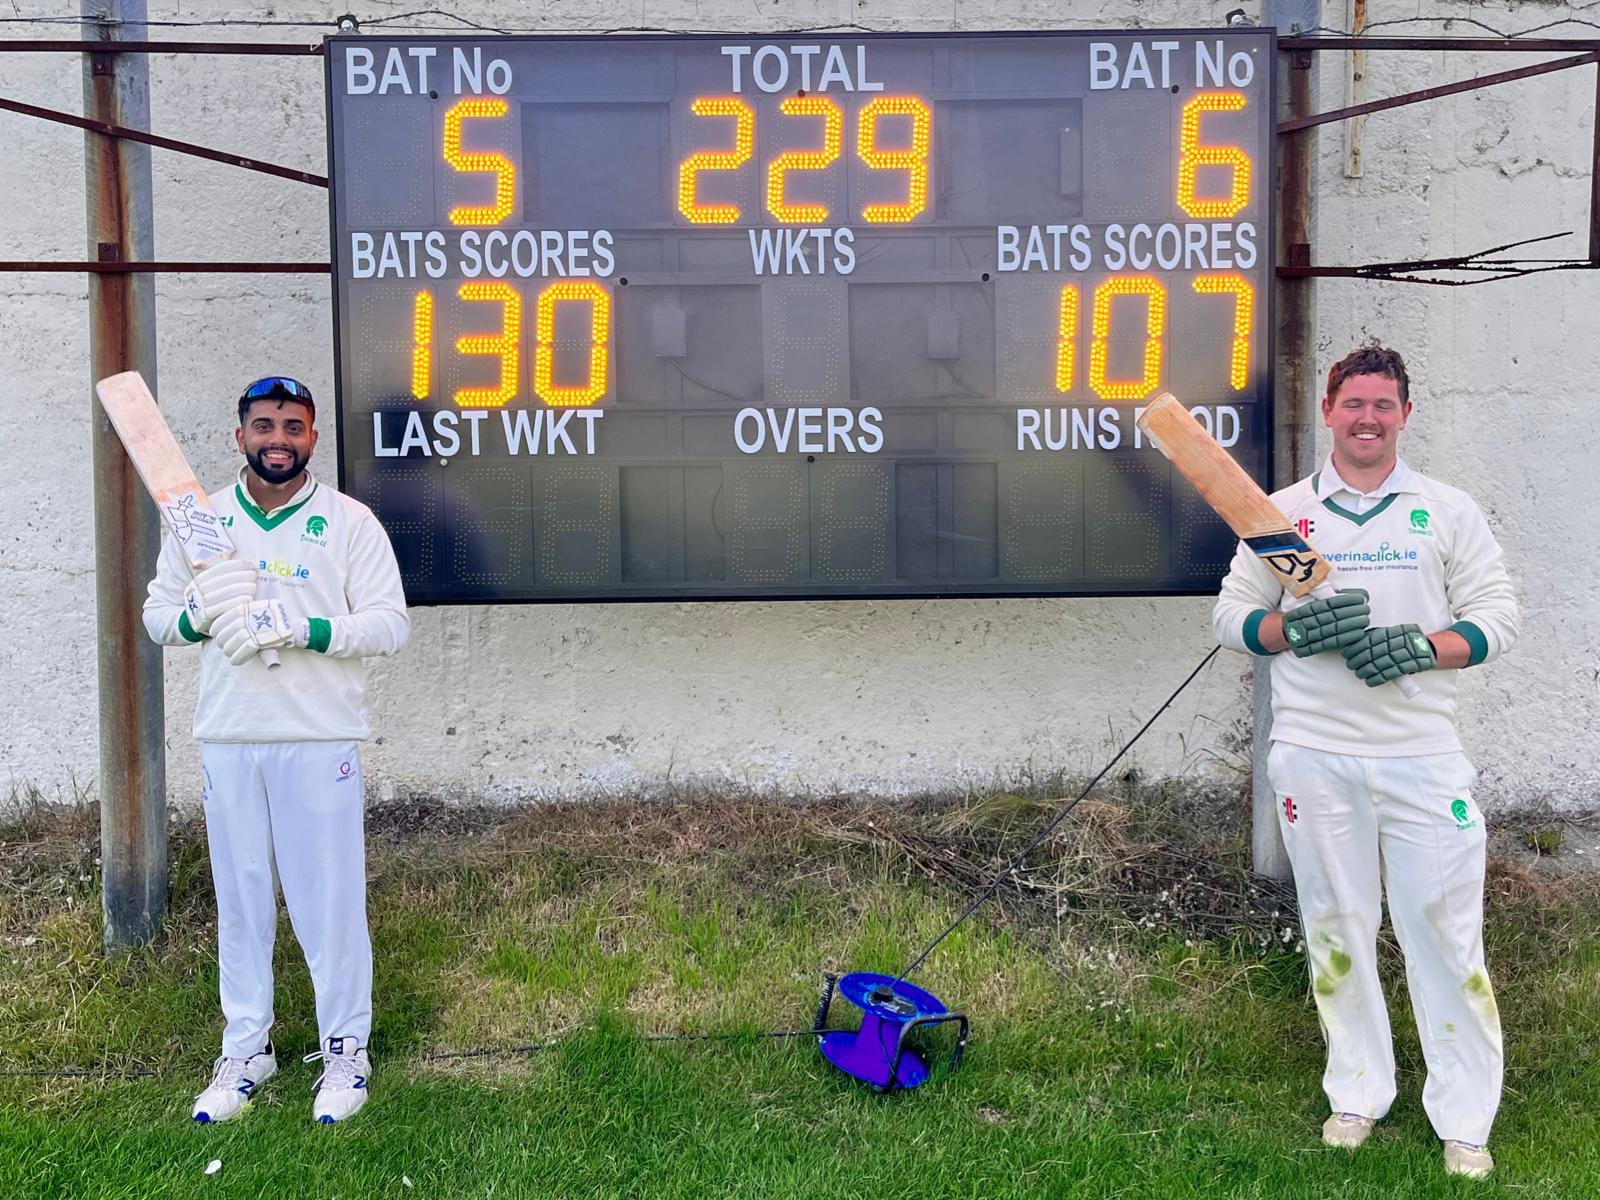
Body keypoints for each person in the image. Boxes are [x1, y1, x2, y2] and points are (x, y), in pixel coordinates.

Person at [1212, 344, 1519, 1179]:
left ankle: (1464, 1118)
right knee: (1336, 925)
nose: (1369, 419)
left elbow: (1497, 616)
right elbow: (1233, 615)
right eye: (1355, 404)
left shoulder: (1446, 510)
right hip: (1313, 755)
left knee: (1444, 934)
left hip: (1421, 756)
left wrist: (1425, 647)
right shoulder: (1282, 516)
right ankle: (1358, 1091)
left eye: (1385, 405)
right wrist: (1288, 631)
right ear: (1330, 411)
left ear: (1406, 415)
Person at [143, 376, 409, 1124]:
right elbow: (157, 617)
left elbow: (390, 625)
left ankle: (345, 1049)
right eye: (264, 426)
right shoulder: (202, 524)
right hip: (230, 736)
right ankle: (246, 1048)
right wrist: (201, 612)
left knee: (329, 903)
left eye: (293, 427)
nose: (278, 440)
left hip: (319, 736)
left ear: (312, 438)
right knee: (242, 902)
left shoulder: (349, 521)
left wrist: (308, 630)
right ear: (241, 437)